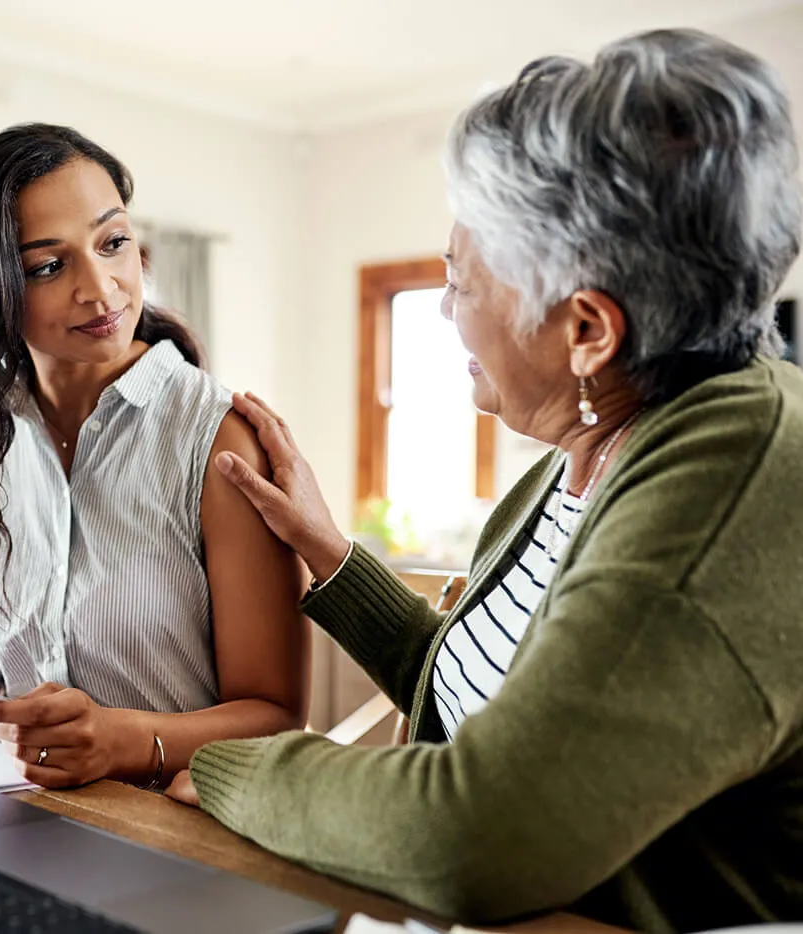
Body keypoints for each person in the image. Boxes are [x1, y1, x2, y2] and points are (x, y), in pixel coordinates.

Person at [164, 29, 803, 932]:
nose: (444, 309)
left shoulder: (727, 490)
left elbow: (473, 838)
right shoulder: (599, 446)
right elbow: (479, 694)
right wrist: (328, 550)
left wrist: (234, 764)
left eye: (462, 282)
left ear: (588, 331)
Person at [0, 124, 310, 790]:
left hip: (171, 826)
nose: (101, 288)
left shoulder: (220, 440)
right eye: (48, 266)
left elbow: (277, 717)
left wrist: (123, 741)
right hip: (15, 813)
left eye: (113, 243)